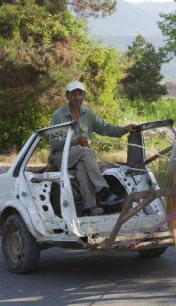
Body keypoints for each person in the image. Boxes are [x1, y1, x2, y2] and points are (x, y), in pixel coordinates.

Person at [49, 81, 136, 216]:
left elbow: (105, 128)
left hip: (81, 158)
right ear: (67, 96)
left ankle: (90, 207)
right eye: (74, 94)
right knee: (86, 151)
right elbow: (54, 143)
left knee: (82, 168)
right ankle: (103, 191)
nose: (77, 97)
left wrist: (124, 129)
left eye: (80, 94)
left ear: (84, 95)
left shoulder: (88, 114)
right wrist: (76, 140)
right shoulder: (58, 115)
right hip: (60, 157)